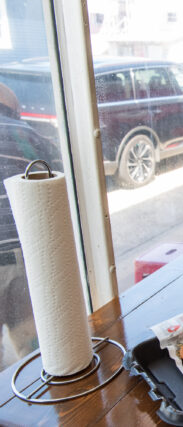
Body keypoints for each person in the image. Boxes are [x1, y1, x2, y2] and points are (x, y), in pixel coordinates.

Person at [0, 83, 60, 369]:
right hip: (25, 254)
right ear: (13, 110)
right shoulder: (28, 135)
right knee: (34, 345)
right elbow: (59, 190)